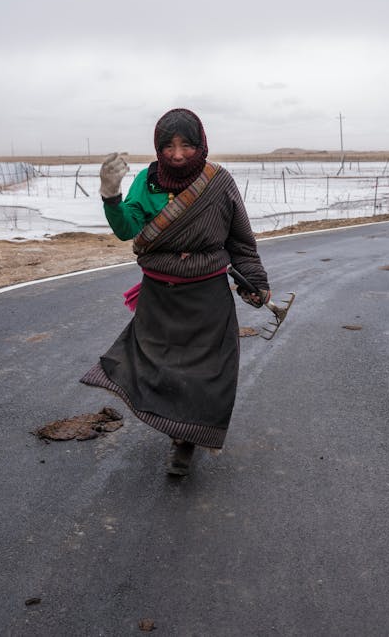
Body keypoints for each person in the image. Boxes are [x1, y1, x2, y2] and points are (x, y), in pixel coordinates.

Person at [80, 108, 271, 476]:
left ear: (201, 145)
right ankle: (175, 426)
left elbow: (242, 242)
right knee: (158, 368)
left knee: (206, 372)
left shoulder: (219, 183)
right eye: (168, 146)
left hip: (207, 298)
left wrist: (256, 282)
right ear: (157, 147)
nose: (178, 154)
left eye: (187, 145)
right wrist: (110, 196)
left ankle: (185, 441)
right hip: (160, 296)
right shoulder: (146, 182)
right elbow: (126, 229)